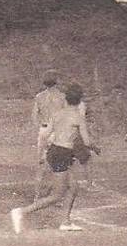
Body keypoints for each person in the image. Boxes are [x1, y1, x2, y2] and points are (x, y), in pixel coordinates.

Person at [10, 84, 96, 233]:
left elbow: (45, 135)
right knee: (57, 195)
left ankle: (65, 222)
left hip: (55, 151)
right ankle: (21, 212)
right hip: (63, 153)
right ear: (80, 100)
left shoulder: (57, 114)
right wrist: (95, 147)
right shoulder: (78, 117)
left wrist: (44, 151)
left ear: (66, 99)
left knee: (73, 188)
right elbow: (87, 142)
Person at [30, 70, 66, 201]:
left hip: (44, 130)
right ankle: (56, 196)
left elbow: (34, 116)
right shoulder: (62, 97)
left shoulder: (39, 96)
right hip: (57, 132)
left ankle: (37, 196)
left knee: (41, 165)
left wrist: (40, 129)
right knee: (59, 166)